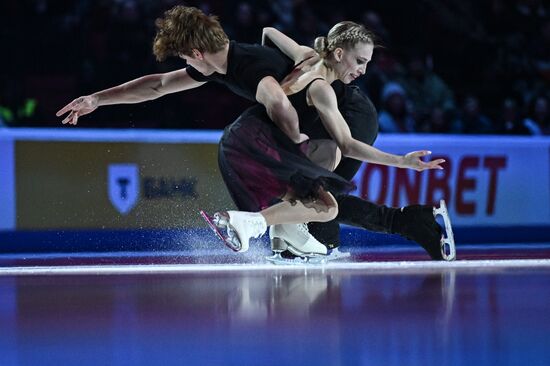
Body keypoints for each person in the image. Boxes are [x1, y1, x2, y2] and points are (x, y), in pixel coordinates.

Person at [210, 21, 452, 260]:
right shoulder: (322, 88)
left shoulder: (305, 57)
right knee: (327, 194)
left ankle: (284, 228)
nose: (364, 71)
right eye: (360, 61)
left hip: (235, 139)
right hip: (266, 140)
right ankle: (278, 225)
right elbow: (347, 144)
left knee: (321, 191)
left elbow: (269, 32)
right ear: (338, 53)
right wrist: (403, 161)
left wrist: (271, 73)